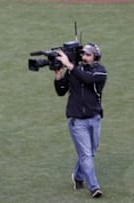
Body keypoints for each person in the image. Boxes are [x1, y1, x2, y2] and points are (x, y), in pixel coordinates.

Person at [55, 42, 107, 198]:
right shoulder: (74, 71)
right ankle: (94, 187)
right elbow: (61, 91)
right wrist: (58, 74)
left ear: (95, 57)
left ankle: (78, 176)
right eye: (83, 54)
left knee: (91, 151)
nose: (84, 57)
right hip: (77, 121)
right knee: (86, 154)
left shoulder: (100, 72)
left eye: (88, 55)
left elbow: (88, 79)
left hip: (94, 118)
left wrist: (70, 66)